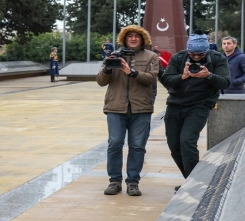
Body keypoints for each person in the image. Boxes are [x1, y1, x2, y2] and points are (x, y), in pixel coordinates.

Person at [160, 32, 230, 186]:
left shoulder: (217, 58)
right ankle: (191, 180)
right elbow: (166, 80)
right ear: (188, 50)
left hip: (199, 105)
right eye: (193, 54)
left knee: (187, 142)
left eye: (200, 54)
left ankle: (195, 185)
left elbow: (225, 82)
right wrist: (182, 77)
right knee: (174, 145)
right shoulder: (178, 57)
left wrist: (209, 75)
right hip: (174, 105)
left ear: (207, 50)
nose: (196, 57)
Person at [96, 25, 159, 196]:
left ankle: (133, 182)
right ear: (124, 38)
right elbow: (101, 81)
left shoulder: (151, 56)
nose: (132, 38)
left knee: (137, 146)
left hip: (141, 108)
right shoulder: (114, 56)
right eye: (129, 36)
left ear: (142, 39)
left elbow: (152, 78)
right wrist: (108, 67)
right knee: (115, 143)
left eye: (136, 36)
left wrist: (131, 72)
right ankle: (114, 181)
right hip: (115, 107)